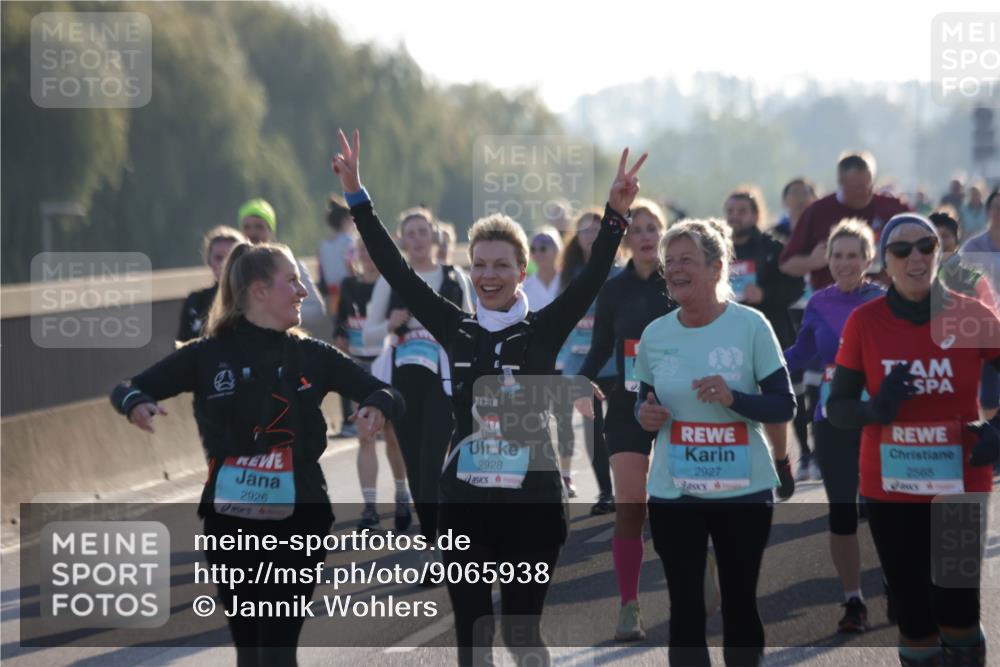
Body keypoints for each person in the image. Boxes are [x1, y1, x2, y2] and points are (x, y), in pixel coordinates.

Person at [333, 128, 646, 666]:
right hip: (465, 505)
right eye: (479, 265)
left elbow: (593, 276)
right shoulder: (455, 329)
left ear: (522, 271)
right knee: (473, 638)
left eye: (502, 265)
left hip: (533, 506)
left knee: (522, 638)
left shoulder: (544, 330)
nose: (489, 275)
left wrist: (615, 214)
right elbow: (398, 272)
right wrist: (358, 197)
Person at [111, 241, 404, 667]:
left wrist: (378, 405)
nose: (304, 291)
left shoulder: (311, 354)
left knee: (277, 650)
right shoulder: (206, 355)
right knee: (250, 653)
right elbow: (126, 386)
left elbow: (385, 389)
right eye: (292, 281)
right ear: (259, 290)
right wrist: (136, 403)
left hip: (300, 515)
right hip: (230, 520)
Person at [827, 213, 1000, 667]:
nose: (916, 257)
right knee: (916, 617)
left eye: (925, 246)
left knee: (958, 611)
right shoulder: (865, 322)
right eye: (902, 250)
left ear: (938, 254)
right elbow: (837, 407)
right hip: (890, 486)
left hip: (960, 482)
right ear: (884, 262)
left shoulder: (969, 313)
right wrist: (874, 409)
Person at [634, 216, 796, 667]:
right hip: (674, 491)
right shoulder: (655, 335)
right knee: (685, 608)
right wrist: (644, 415)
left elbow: (784, 406)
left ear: (717, 266)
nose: (675, 270)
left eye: (687, 259)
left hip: (742, 490)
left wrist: (735, 399)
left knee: (740, 605)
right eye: (669, 263)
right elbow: (640, 403)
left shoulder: (751, 326)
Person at [575, 198, 677, 640]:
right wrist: (578, 381)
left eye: (653, 227)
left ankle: (700, 568)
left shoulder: (680, 280)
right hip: (628, 400)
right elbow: (600, 348)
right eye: (637, 229)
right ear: (627, 240)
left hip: (680, 403)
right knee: (631, 504)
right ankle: (629, 606)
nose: (645, 235)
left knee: (681, 505)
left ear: (665, 234)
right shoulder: (613, 289)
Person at [782, 219, 884, 633]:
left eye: (851, 256)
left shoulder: (884, 300)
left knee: (883, 511)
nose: (842, 263)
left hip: (879, 419)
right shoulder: (818, 302)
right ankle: (853, 600)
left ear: (868, 259)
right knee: (842, 512)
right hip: (831, 418)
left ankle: (897, 583)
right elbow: (801, 353)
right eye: (836, 255)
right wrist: (756, 366)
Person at [361, 204, 475, 554]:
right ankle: (433, 539)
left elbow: (472, 327)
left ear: (434, 234)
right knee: (413, 462)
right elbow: (367, 335)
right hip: (404, 380)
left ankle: (438, 541)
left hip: (443, 379)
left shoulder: (455, 278)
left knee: (432, 461)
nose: (416, 240)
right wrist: (391, 324)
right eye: (409, 234)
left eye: (422, 232)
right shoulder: (389, 279)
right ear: (401, 240)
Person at [333, 237, 412, 530]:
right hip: (358, 367)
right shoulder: (348, 286)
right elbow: (340, 322)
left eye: (371, 248)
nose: (367, 254)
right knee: (365, 435)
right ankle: (369, 507)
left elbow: (402, 322)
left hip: (388, 365)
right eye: (362, 249)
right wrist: (340, 336)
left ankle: (402, 497)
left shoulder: (392, 286)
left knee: (392, 436)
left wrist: (392, 323)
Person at [558, 208, 620, 503]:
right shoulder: (569, 275)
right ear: (576, 237)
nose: (592, 235)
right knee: (592, 431)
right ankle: (606, 492)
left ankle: (632, 489)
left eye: (597, 229)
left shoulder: (620, 272)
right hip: (581, 365)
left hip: (616, 363)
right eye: (585, 230)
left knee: (619, 431)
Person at [779, 152, 909, 290]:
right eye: (858, 187)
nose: (865, 192)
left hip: (885, 300)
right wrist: (812, 262)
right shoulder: (818, 211)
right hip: (833, 304)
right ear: (841, 181)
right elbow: (786, 264)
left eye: (869, 185)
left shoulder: (893, 208)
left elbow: (922, 248)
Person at [238, 198, 326, 328]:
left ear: (271, 232)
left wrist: (280, 310)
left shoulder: (293, 267)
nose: (252, 233)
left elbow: (316, 310)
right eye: (247, 227)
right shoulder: (235, 270)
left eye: (259, 227)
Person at [177, 226, 246, 343]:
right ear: (209, 261)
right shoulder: (197, 300)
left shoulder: (252, 299)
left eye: (230, 257)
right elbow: (181, 345)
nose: (224, 264)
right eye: (219, 258)